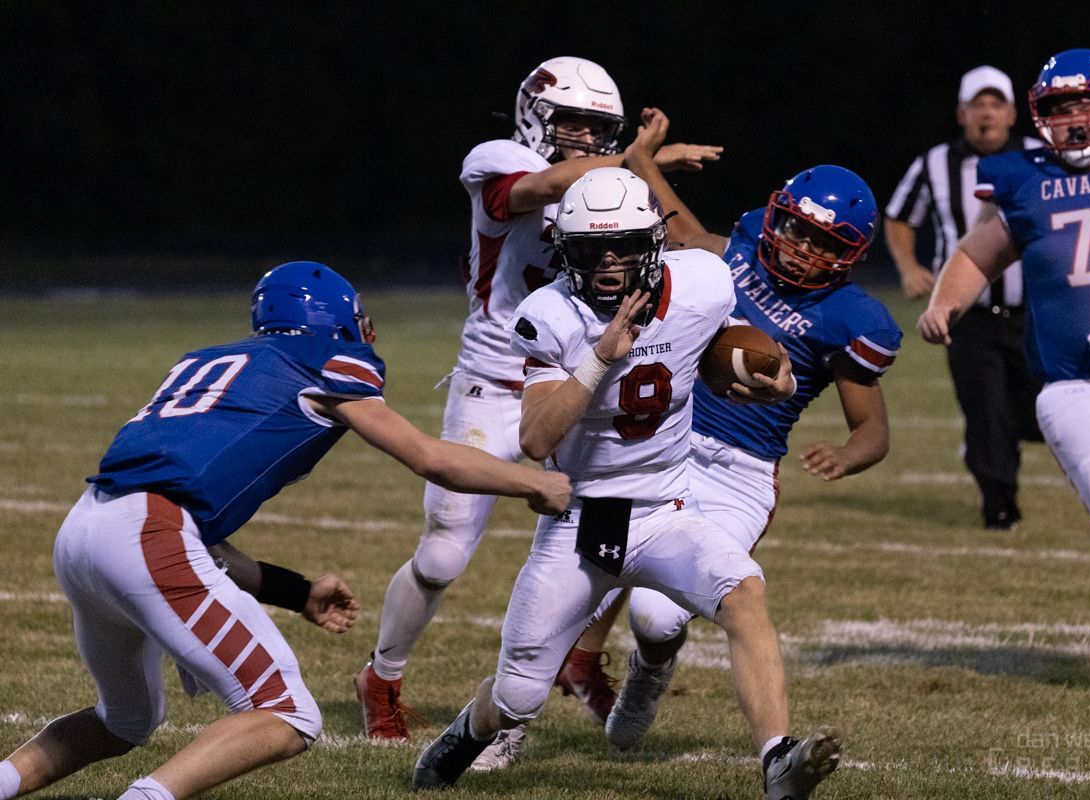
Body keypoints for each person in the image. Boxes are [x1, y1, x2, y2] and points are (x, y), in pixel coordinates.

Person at [0, 262, 570, 800]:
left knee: (125, 719)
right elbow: (429, 457)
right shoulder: (325, 359)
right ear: (335, 318)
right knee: (286, 712)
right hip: (148, 533)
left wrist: (296, 592)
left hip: (86, 528)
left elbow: (195, 535)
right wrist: (535, 483)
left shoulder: (208, 360)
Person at [411, 165, 843, 800]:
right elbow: (536, 439)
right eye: (592, 249)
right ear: (566, 250)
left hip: (666, 506)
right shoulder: (550, 314)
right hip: (580, 521)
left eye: (624, 246)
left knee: (744, 591)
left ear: (654, 243)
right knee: (518, 695)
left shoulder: (701, 283)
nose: (609, 262)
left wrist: (772, 382)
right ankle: (465, 733)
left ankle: (777, 759)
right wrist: (599, 358)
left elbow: (726, 354)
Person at [356, 56, 724, 742]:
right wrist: (637, 159)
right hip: (494, 382)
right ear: (534, 114)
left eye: (599, 126)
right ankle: (382, 675)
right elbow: (545, 185)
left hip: (585, 380)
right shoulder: (497, 160)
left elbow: (674, 244)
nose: (585, 136)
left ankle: (576, 659)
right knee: (442, 555)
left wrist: (645, 169)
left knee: (624, 519)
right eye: (573, 121)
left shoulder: (615, 182)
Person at [598, 114, 901, 747]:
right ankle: (507, 719)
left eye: (823, 241)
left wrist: (848, 454)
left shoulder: (850, 317)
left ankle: (648, 673)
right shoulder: (735, 253)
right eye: (796, 229)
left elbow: (873, 429)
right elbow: (680, 228)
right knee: (582, 573)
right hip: (663, 444)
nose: (802, 248)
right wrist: (643, 159)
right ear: (775, 217)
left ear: (848, 254)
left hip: (738, 474)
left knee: (656, 617)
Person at [918, 48, 1090, 704]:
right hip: (1082, 391)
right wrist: (944, 304)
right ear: (1041, 116)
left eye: (1087, 104)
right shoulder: (1025, 179)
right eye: (1060, 107)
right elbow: (977, 254)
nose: (1075, 118)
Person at [885, 65, 1042, 530]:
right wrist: (909, 267)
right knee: (986, 407)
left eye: (996, 104)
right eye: (978, 105)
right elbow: (898, 216)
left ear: (1012, 113)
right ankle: (999, 505)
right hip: (966, 315)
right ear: (961, 113)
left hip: (1035, 312)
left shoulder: (1041, 157)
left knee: (1041, 410)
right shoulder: (934, 163)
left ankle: (992, 450)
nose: (987, 114)